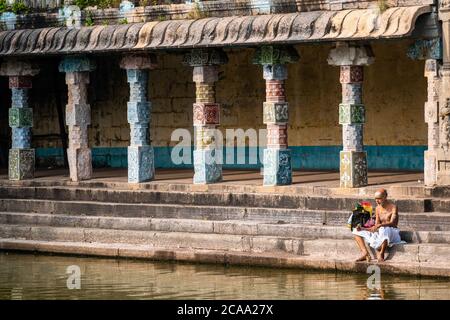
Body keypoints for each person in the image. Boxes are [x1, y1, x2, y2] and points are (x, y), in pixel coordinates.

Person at [352, 188, 402, 262]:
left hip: (393, 232)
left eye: (379, 198)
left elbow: (393, 223)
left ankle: (382, 253)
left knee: (385, 229)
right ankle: (365, 253)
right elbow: (376, 226)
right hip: (381, 231)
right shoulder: (378, 208)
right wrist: (362, 228)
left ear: (385, 197)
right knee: (356, 231)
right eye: (376, 199)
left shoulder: (393, 207)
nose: (377, 201)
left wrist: (381, 225)